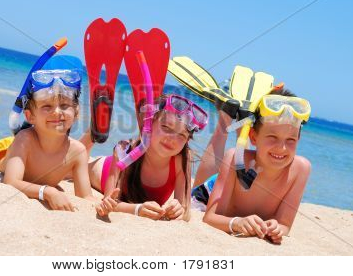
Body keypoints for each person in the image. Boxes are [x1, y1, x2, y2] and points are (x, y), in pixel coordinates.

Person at [0, 69, 96, 211]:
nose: (57, 112)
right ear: (30, 116)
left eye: (64, 106)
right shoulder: (25, 139)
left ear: (76, 112)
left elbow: (85, 197)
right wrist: (48, 192)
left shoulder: (78, 151)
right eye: (47, 106)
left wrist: (106, 204)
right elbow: (10, 181)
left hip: (17, 145)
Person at [199, 89, 311, 244]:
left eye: (291, 140)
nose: (282, 148)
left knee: (239, 154)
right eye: (272, 137)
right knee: (230, 157)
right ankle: (225, 119)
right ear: (253, 137)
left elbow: (284, 225)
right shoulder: (234, 158)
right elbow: (210, 217)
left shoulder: (301, 169)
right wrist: (236, 223)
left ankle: (242, 122)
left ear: (298, 139)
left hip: (242, 170)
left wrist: (276, 228)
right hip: (208, 191)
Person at [80, 94, 209, 221]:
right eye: (166, 127)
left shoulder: (182, 159)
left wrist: (178, 210)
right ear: (148, 124)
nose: (172, 139)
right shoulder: (124, 151)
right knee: (77, 162)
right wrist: (137, 209)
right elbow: (109, 202)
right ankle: (95, 129)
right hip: (101, 169)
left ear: (187, 140)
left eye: (181, 135)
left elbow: (185, 211)